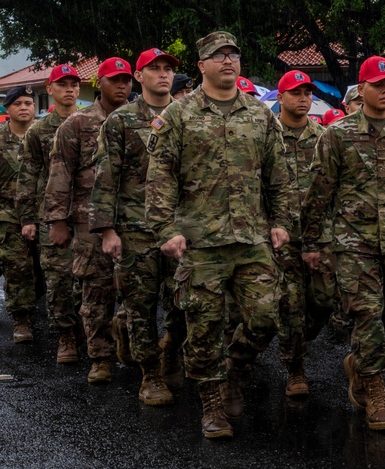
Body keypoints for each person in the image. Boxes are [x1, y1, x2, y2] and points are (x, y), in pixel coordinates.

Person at [145, 31, 294, 439]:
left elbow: (279, 176)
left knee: (266, 316)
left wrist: (281, 221)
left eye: (233, 54)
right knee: (204, 329)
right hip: (201, 242)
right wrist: (166, 229)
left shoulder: (260, 115)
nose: (228, 61)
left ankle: (237, 370)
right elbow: (159, 177)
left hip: (251, 238)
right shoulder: (179, 114)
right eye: (218, 55)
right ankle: (211, 405)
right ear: (202, 65)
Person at [301, 56, 385, 431]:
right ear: (362, 89)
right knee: (367, 314)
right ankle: (375, 388)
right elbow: (320, 189)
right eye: (379, 85)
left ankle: (358, 363)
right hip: (353, 242)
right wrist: (313, 241)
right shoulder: (338, 134)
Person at [90, 48, 186, 403]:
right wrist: (107, 230)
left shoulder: (186, 115)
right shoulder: (121, 121)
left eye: (167, 69)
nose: (163, 75)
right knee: (142, 303)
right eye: (154, 69)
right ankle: (150, 375)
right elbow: (106, 177)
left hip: (180, 227)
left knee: (183, 302)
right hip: (135, 227)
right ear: (140, 77)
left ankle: (171, 350)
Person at [44, 57, 133, 384]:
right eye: (114, 80)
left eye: (126, 80)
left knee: (136, 291)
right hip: (88, 221)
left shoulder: (139, 120)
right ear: (100, 83)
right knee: (96, 293)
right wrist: (57, 221)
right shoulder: (78, 124)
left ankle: (128, 340)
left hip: (133, 220)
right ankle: (100, 356)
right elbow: (60, 173)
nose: (122, 86)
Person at [272, 70, 339, 399]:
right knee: (292, 304)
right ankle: (295, 367)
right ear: (280, 97)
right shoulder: (268, 136)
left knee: (326, 300)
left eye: (307, 93)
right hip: (281, 235)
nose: (303, 99)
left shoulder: (323, 137)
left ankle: (295, 337)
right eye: (296, 93)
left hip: (318, 234)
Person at [16, 65, 81, 364]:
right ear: (50, 88)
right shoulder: (39, 130)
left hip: (89, 213)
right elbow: (27, 175)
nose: (69, 89)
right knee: (58, 278)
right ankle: (66, 336)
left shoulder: (93, 122)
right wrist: (27, 218)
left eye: (74, 84)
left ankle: (95, 335)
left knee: (95, 279)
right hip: (52, 213)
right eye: (62, 84)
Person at [0, 86, 41, 343]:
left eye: (28, 102)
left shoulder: (45, 136)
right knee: (18, 266)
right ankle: (21, 319)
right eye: (18, 103)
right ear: (8, 108)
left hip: (45, 210)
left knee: (50, 267)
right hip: (8, 213)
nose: (24, 107)